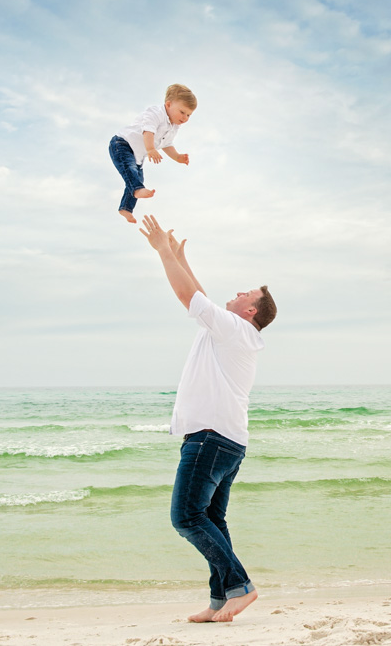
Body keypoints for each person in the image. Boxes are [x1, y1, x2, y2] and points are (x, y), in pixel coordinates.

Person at [138, 214, 277, 623]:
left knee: (185, 516)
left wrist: (164, 252)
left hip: (211, 438)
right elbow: (198, 295)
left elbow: (189, 297)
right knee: (211, 518)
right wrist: (181, 258)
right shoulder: (234, 331)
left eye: (244, 293)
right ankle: (222, 600)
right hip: (226, 441)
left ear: (250, 309)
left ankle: (241, 586)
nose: (235, 293)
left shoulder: (233, 329)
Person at [109, 84, 196, 224]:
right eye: (182, 112)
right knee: (131, 173)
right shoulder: (156, 113)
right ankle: (137, 190)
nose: (185, 117)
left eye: (189, 115)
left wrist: (177, 157)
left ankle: (125, 208)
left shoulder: (174, 127)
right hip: (122, 145)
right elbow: (148, 131)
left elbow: (167, 144)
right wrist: (150, 149)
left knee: (138, 179)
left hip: (137, 156)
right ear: (168, 104)